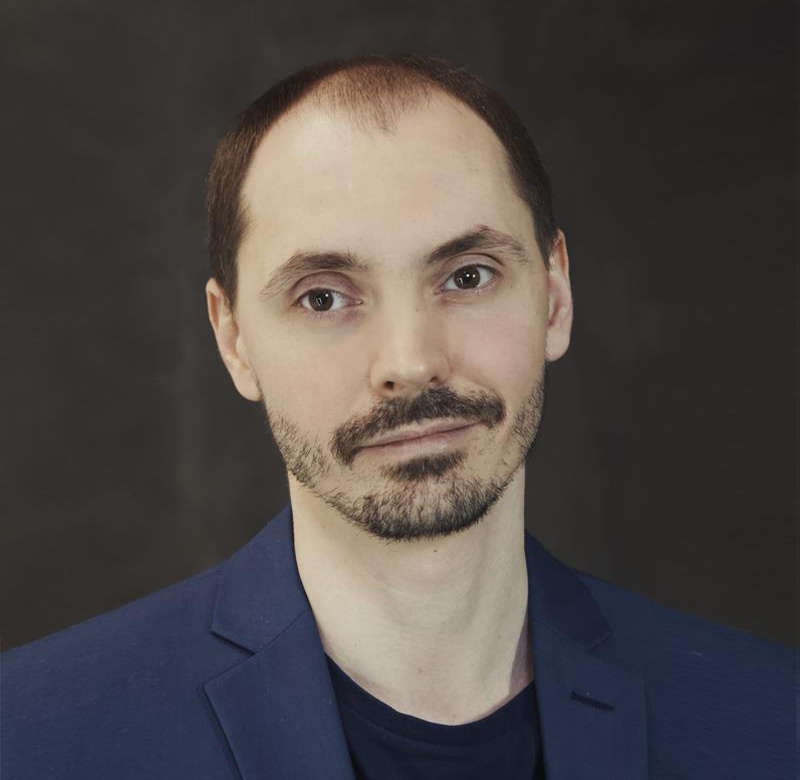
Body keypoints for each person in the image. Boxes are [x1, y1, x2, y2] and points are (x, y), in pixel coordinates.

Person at [2, 54, 792, 780]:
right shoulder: (32, 738)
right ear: (234, 340)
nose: (410, 362)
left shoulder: (772, 723)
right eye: (323, 297)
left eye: (468, 276)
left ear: (555, 296)